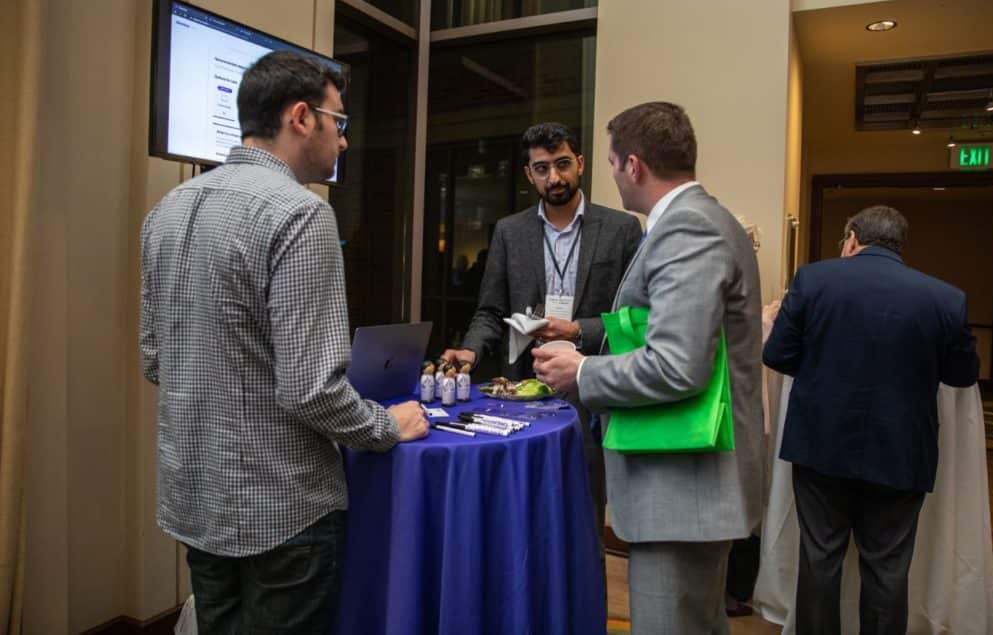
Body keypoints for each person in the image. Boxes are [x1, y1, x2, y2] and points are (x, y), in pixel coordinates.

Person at [139, 50, 428, 634]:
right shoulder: (301, 214)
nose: (343, 141)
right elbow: (310, 389)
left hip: (194, 494)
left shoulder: (166, 210)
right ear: (301, 117)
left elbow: (154, 360)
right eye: (339, 122)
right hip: (282, 509)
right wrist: (384, 427)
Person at [532, 102, 765, 634]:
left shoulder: (687, 229)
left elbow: (678, 365)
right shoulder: (703, 219)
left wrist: (583, 372)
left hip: (684, 486)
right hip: (689, 485)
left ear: (632, 165)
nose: (614, 177)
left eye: (613, 164)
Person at [762, 205, 979, 635]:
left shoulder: (814, 279)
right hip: (902, 452)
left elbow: (777, 355)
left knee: (820, 559)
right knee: (888, 569)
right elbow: (962, 374)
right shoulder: (945, 298)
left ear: (853, 238)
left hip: (821, 446)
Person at [442, 122, 642, 574]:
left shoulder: (621, 229)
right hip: (520, 393)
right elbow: (490, 310)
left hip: (590, 392)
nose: (555, 178)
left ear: (581, 163)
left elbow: (631, 319)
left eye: (563, 164)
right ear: (527, 175)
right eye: (542, 168)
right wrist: (471, 352)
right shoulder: (510, 232)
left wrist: (576, 331)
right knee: (521, 514)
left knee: (584, 514)